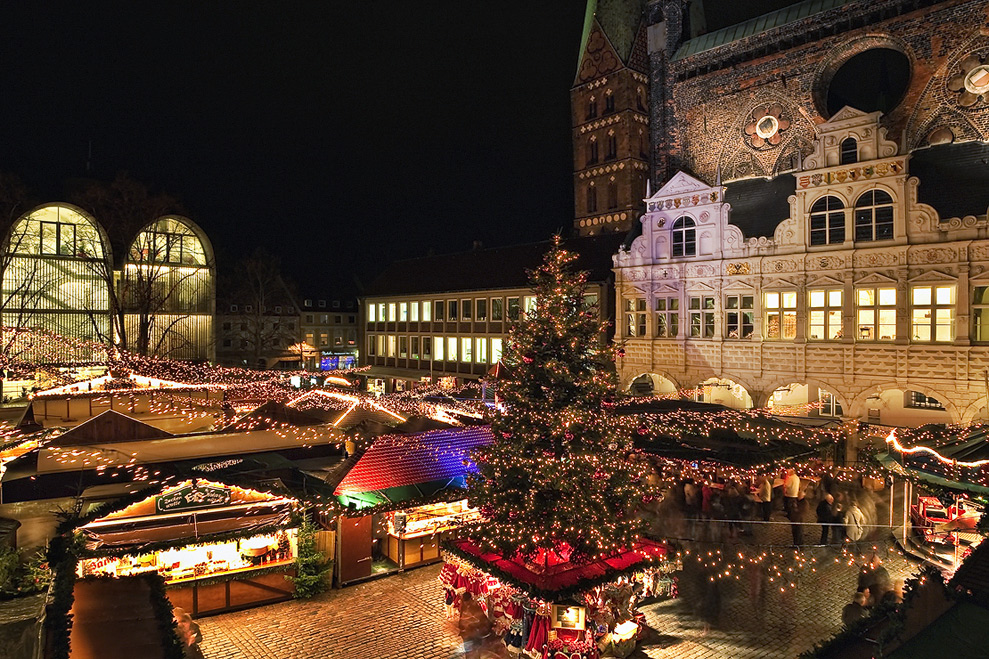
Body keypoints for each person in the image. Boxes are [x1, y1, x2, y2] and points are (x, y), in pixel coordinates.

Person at [458, 592, 490, 659]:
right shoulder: (464, 606)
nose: (466, 603)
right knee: (469, 651)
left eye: (467, 601)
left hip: (474, 633)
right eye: (465, 601)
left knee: (475, 650)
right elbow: (462, 617)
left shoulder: (475, 607)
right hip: (467, 633)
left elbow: (482, 618)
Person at [783, 469, 803, 545]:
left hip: (790, 495)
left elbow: (787, 485)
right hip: (794, 494)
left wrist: (785, 484)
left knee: (789, 506)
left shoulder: (790, 478)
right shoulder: (797, 477)